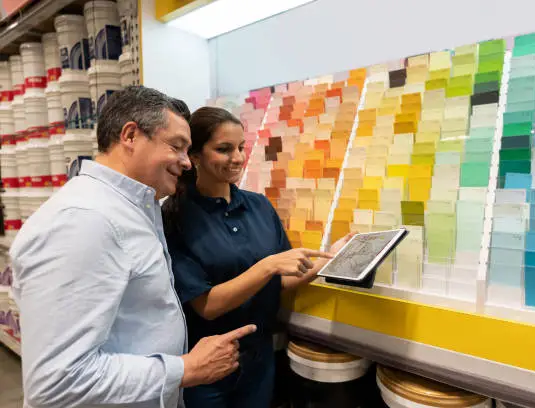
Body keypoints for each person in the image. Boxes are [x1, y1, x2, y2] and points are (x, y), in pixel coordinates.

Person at [9, 87, 256, 408]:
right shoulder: (83, 221)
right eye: (177, 147)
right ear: (130, 135)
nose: (186, 162)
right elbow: (56, 382)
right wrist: (185, 369)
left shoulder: (136, 207)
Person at [162, 106, 353, 408]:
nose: (237, 158)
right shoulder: (176, 217)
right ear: (194, 155)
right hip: (209, 365)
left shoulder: (259, 206)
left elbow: (283, 279)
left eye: (241, 147)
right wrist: (267, 267)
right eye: (223, 149)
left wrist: (332, 257)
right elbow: (207, 306)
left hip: (260, 361)